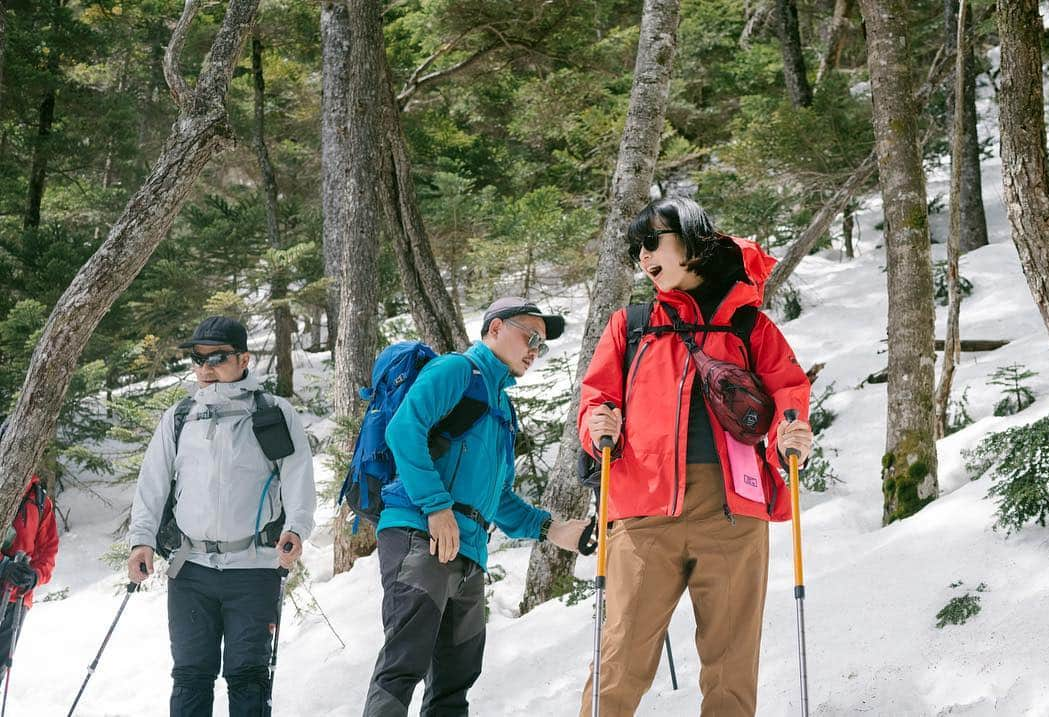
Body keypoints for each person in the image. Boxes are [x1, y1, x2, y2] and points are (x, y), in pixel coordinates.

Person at [576, 196, 813, 716]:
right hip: (642, 511)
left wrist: (791, 432)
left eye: (651, 241)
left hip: (733, 512)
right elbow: (596, 400)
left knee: (731, 664)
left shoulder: (750, 328)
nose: (642, 255)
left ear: (690, 242)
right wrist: (597, 426)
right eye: (636, 247)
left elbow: (789, 392)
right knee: (619, 657)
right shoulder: (632, 325)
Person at [363, 297, 590, 717]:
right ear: (495, 329)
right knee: (404, 663)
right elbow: (403, 430)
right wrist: (436, 507)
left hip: (467, 551)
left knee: (456, 679)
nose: (535, 350)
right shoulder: (456, 371)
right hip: (420, 533)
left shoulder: (502, 406)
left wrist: (551, 530)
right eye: (530, 336)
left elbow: (498, 498)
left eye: (542, 344)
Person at [126, 316, 315, 717]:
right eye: (198, 358)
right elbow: (152, 484)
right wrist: (141, 541)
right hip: (191, 569)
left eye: (218, 357)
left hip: (254, 568)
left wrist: (296, 530)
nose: (206, 368)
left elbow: (298, 477)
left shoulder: (272, 413)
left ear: (244, 358)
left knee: (248, 678)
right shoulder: (180, 418)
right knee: (191, 677)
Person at [0, 440, 58, 683]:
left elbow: (48, 551)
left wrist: (34, 576)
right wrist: (3, 566)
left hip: (17, 599)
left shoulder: (40, 501)